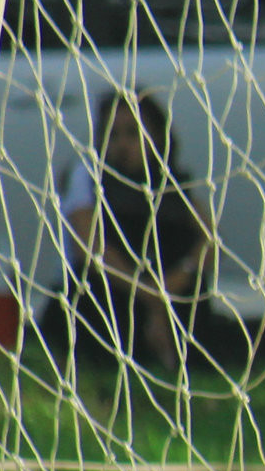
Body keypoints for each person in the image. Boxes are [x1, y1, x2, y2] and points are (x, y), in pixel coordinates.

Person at [49, 90, 210, 372]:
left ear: (157, 137)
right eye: (114, 135)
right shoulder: (88, 177)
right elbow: (90, 248)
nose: (123, 145)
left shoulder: (172, 184)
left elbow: (208, 241)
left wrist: (177, 279)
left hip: (171, 292)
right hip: (113, 297)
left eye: (133, 134)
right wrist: (149, 296)